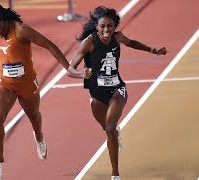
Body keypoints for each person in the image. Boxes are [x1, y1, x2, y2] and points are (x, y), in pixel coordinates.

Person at [0, 3, 69, 180]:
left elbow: (50, 45)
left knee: (34, 116)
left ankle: (39, 137)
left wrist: (69, 68)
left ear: (3, 21)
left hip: (26, 82)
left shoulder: (21, 30)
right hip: (4, 82)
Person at [67, 6, 167, 180]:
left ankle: (115, 174)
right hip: (96, 92)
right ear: (96, 27)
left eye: (110, 26)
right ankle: (114, 133)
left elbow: (132, 43)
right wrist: (81, 74)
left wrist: (152, 50)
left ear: (115, 26)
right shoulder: (89, 42)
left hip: (117, 89)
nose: (107, 30)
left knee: (110, 128)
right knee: (107, 129)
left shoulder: (118, 37)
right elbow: (70, 69)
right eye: (103, 26)